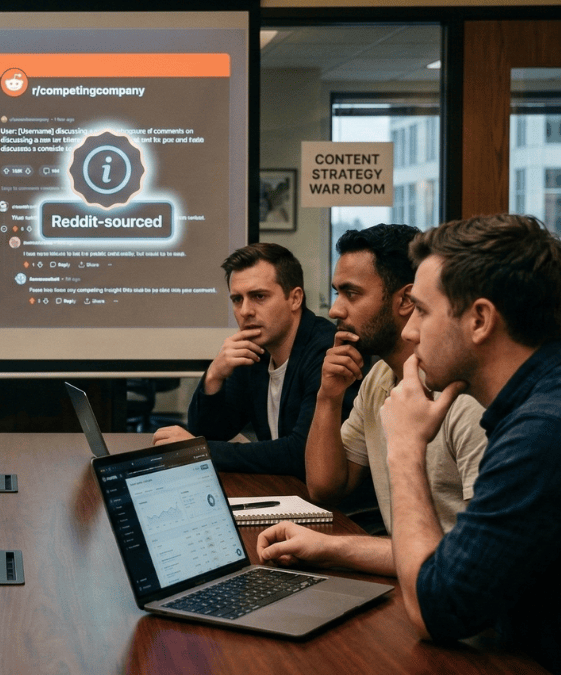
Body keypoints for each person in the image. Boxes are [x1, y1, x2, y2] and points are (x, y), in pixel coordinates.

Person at [379, 214, 561, 672]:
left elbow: (436, 609)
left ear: (479, 319)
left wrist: (404, 446)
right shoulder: (535, 405)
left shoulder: (541, 432)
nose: (408, 332)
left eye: (421, 310)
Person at [257, 224, 486, 575]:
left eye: (351, 293)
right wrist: (328, 397)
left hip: (453, 602)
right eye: (337, 293)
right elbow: (325, 488)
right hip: (413, 582)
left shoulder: (465, 400)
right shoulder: (377, 380)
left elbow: (472, 563)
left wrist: (333, 547)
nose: (335, 310)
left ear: (406, 300)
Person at [153, 242, 354, 478]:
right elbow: (212, 432)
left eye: (259, 296)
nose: (245, 311)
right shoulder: (255, 350)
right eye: (237, 299)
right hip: (286, 493)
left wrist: (201, 451)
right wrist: (214, 374)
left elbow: (300, 453)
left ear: (295, 299)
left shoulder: (326, 351)